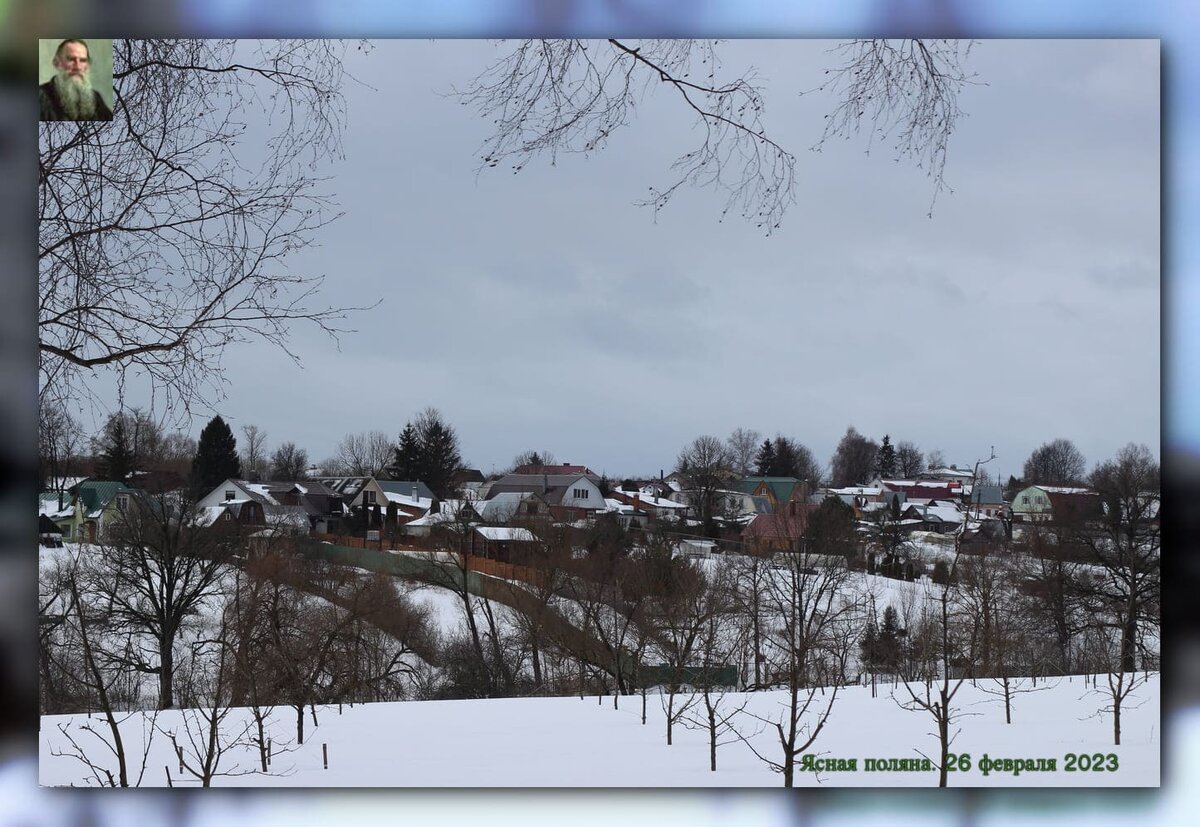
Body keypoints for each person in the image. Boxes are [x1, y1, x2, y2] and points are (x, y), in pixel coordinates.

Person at [39, 39, 113, 121]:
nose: (78, 67)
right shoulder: (40, 97)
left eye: (83, 60)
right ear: (56, 63)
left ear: (87, 65)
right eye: (71, 59)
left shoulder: (95, 98)